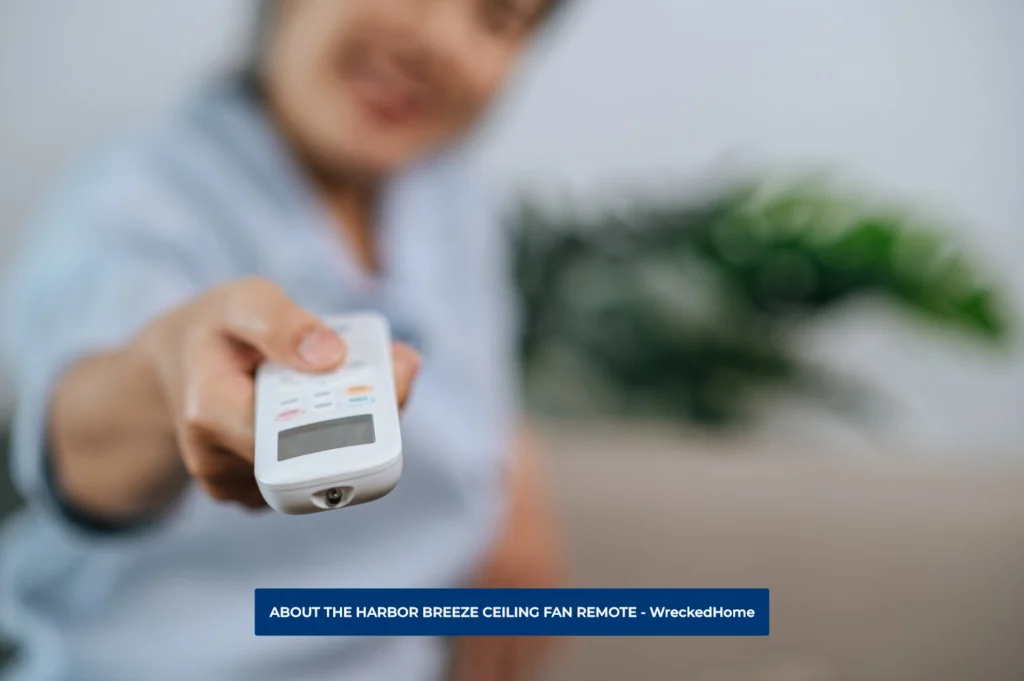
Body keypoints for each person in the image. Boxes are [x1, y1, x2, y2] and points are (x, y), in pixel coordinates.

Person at [0, 1, 568, 680]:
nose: (439, 40)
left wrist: (513, 471)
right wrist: (166, 371)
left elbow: (475, 387)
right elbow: (79, 435)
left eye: (500, 18)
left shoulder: (454, 200)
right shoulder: (134, 197)